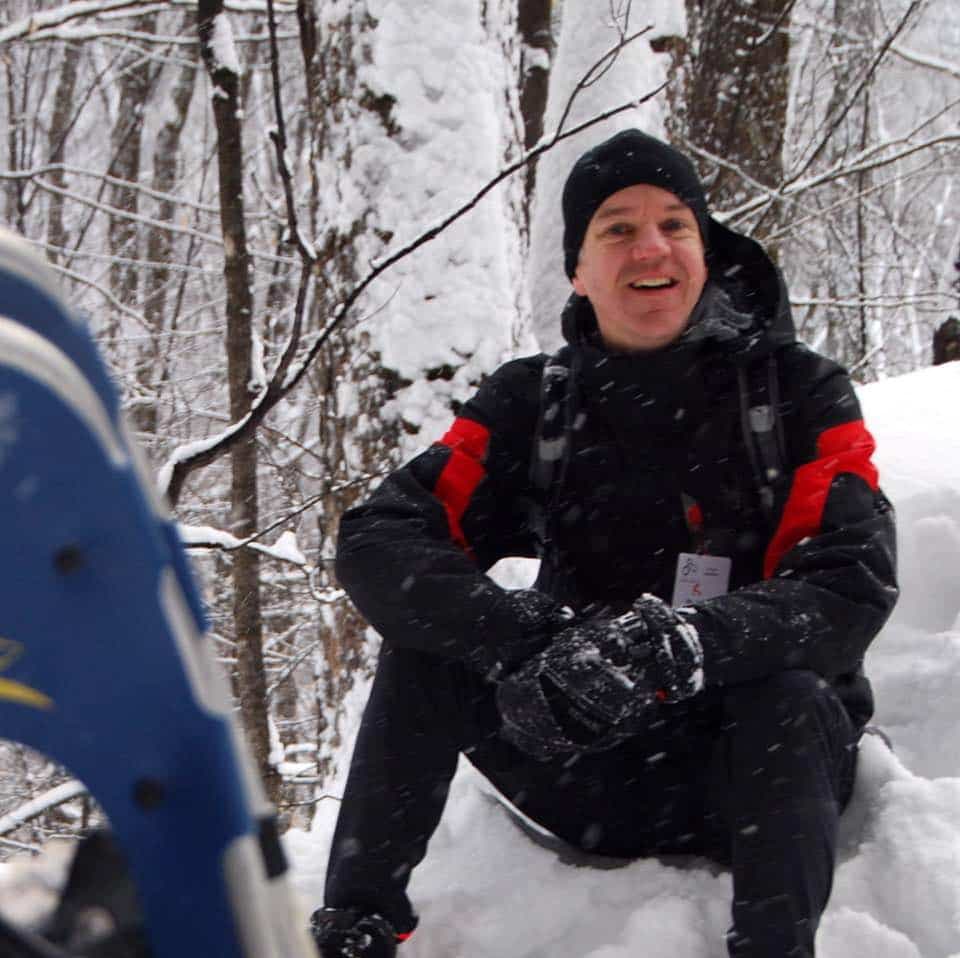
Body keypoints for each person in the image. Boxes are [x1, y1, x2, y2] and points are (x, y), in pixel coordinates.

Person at [310, 130, 898, 958]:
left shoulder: (800, 392)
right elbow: (379, 537)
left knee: (789, 693)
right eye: (618, 228)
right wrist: (523, 637)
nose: (651, 248)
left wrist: (686, 647)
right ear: (578, 271)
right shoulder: (534, 402)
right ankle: (355, 929)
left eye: (675, 224)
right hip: (584, 763)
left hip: (760, 776)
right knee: (426, 651)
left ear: (705, 247)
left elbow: (850, 584)